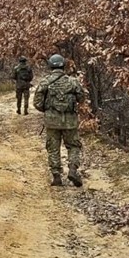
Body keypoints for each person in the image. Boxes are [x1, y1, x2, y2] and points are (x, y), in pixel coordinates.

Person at [32, 53, 85, 187]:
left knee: (53, 147)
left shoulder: (45, 82)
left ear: (50, 65)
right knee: (73, 146)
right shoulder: (73, 81)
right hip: (70, 121)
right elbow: (82, 98)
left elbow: (37, 102)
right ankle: (72, 170)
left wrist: (47, 110)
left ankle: (56, 176)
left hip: (52, 121)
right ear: (63, 65)